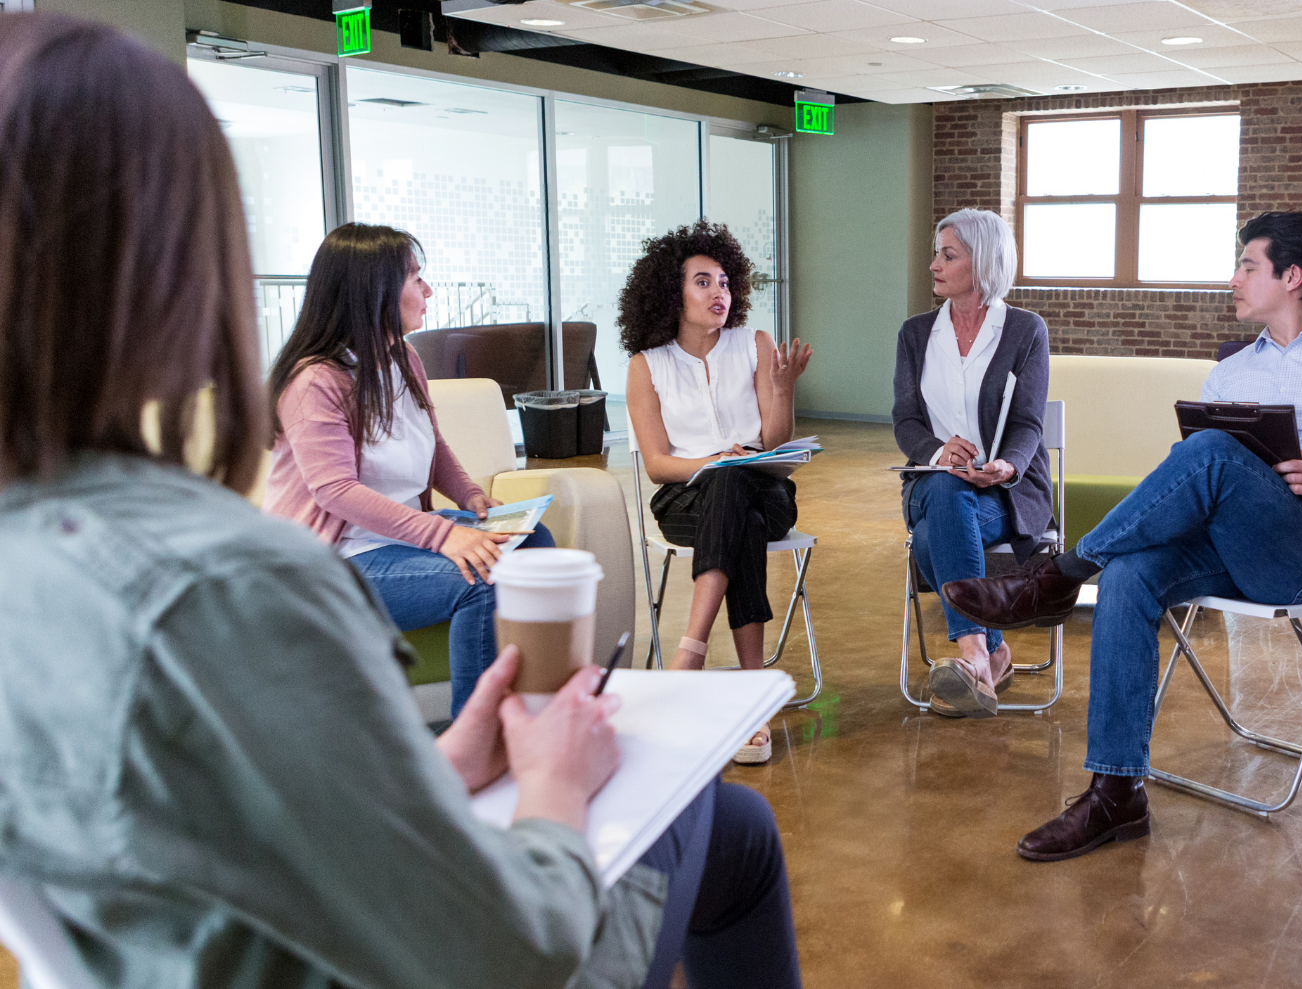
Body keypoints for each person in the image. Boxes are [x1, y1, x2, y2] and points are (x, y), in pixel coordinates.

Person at [0, 14, 801, 988]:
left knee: (532, 550)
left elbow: (215, 820)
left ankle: (494, 722)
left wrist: (448, 757)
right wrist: (550, 783)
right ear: (173, 261)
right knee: (736, 829)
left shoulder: (41, 553)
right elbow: (506, 950)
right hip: (464, 944)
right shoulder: (231, 583)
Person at [941, 210, 1302, 860]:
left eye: (1246, 265)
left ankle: (1056, 576)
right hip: (1230, 543)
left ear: (1292, 276)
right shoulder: (1230, 372)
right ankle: (1115, 791)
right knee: (1129, 573)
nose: (1232, 279)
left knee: (1209, 451)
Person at [265, 223, 555, 719]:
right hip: (335, 561)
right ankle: (477, 740)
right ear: (373, 291)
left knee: (535, 542)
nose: (428, 290)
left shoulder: (403, 358)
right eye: (415, 278)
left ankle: (532, 710)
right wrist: (444, 535)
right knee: (482, 580)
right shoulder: (316, 380)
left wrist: (470, 498)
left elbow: (431, 443)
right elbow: (335, 491)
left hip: (392, 540)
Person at [623, 220, 812, 764]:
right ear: (671, 294)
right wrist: (715, 462)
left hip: (766, 491)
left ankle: (690, 652)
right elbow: (658, 465)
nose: (719, 293)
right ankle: (753, 695)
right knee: (735, 505)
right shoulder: (646, 366)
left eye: (725, 282)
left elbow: (774, 443)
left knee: (740, 489)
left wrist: (783, 388)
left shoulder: (752, 345)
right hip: (685, 499)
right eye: (703, 282)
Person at [891, 208, 1053, 718]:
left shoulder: (1026, 330)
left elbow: (1029, 422)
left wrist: (1006, 465)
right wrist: (939, 453)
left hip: (1004, 492)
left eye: (948, 255)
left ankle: (981, 654)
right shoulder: (915, 334)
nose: (934, 265)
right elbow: (905, 420)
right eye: (937, 254)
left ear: (981, 263)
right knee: (944, 491)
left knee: (935, 535)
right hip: (933, 483)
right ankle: (983, 651)